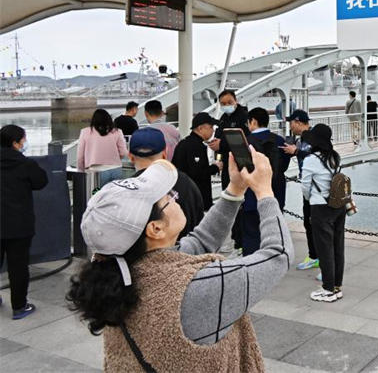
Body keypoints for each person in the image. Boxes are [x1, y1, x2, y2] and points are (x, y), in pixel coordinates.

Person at [66, 151, 293, 372]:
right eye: (169, 198)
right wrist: (265, 192)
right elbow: (278, 254)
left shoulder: (121, 274)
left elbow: (198, 243)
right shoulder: (197, 288)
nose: (176, 199)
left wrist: (235, 188)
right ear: (155, 229)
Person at [0, 125, 48, 319]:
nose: (24, 143)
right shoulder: (25, 164)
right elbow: (40, 182)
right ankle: (19, 307)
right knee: (18, 266)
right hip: (19, 224)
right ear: (15, 143)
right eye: (23, 140)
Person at [129, 128, 205, 238]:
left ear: (131, 157)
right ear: (165, 154)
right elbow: (198, 225)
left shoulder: (125, 190)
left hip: (140, 254)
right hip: (185, 251)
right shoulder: (187, 184)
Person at [300, 124, 346, 302]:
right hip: (338, 205)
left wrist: (309, 197)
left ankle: (328, 289)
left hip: (320, 207)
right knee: (337, 246)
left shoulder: (311, 159)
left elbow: (305, 186)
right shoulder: (336, 157)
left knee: (324, 248)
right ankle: (337, 286)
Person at [208, 90, 250, 250]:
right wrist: (218, 160)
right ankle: (234, 238)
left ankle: (241, 242)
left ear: (235, 101)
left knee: (241, 204)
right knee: (230, 201)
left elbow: (244, 141)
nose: (226, 106)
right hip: (227, 165)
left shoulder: (243, 117)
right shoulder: (224, 118)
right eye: (223, 104)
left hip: (241, 165)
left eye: (229, 102)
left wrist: (222, 145)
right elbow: (219, 138)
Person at [243, 107, 285, 255]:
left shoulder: (245, 143)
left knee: (251, 233)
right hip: (275, 193)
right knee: (274, 231)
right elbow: (283, 166)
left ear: (253, 121)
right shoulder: (279, 140)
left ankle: (251, 264)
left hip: (251, 195)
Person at [282, 109, 320, 272]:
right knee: (308, 222)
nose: (290, 126)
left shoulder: (314, 137)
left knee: (318, 224)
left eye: (291, 122)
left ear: (298, 122)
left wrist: (296, 151)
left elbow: (318, 156)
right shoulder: (301, 139)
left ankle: (322, 260)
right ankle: (314, 256)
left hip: (317, 187)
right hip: (307, 187)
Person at [172, 112, 223, 211]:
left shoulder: (184, 143)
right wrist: (215, 167)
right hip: (195, 198)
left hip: (183, 196)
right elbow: (197, 172)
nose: (213, 130)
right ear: (200, 128)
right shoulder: (195, 146)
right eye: (211, 127)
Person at [77, 108, 129, 186]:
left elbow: (80, 156)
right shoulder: (117, 131)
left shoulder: (85, 132)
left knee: (96, 195)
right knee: (115, 195)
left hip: (95, 170)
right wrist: (115, 158)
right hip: (115, 169)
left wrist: (81, 171)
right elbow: (123, 152)